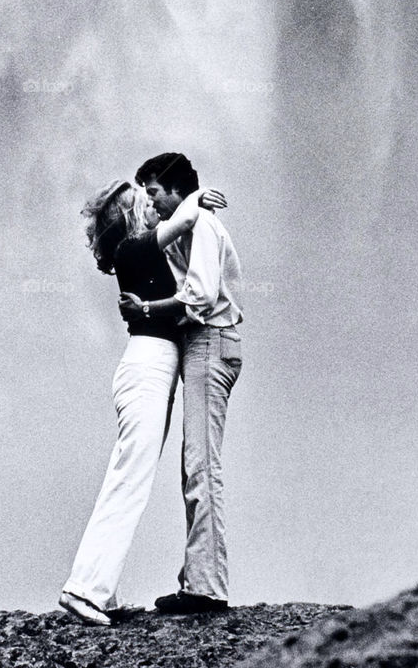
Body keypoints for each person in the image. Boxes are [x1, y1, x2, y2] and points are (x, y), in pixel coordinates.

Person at [59, 177, 226, 626]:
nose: (153, 207)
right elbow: (188, 217)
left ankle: (103, 593)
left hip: (149, 369)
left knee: (127, 475)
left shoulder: (136, 252)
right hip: (148, 370)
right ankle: (84, 590)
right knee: (129, 481)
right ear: (130, 215)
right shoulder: (135, 249)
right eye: (144, 202)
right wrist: (196, 195)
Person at [122, 152, 243, 615]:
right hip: (203, 344)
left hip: (210, 341)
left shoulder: (204, 228)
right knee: (195, 464)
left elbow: (200, 295)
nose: (150, 203)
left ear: (174, 188)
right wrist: (190, 203)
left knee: (201, 465)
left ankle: (207, 588)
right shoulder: (187, 225)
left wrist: (148, 311)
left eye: (153, 193)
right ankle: (199, 579)